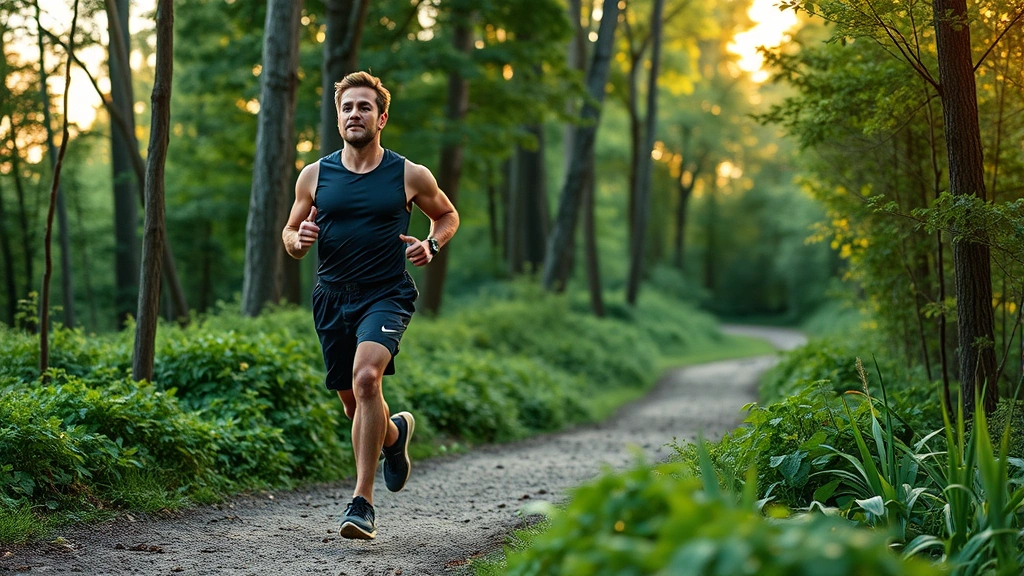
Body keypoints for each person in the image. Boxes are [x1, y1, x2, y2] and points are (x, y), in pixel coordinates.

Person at [282, 71, 459, 540]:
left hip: (386, 294)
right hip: (331, 297)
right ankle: (395, 436)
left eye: (363, 107)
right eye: (346, 108)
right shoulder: (315, 175)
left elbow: (447, 214)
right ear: (338, 118)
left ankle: (362, 504)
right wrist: (298, 240)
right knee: (353, 404)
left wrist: (432, 245)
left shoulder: (408, 174)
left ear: (381, 117)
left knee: (366, 379)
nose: (354, 114)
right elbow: (289, 234)